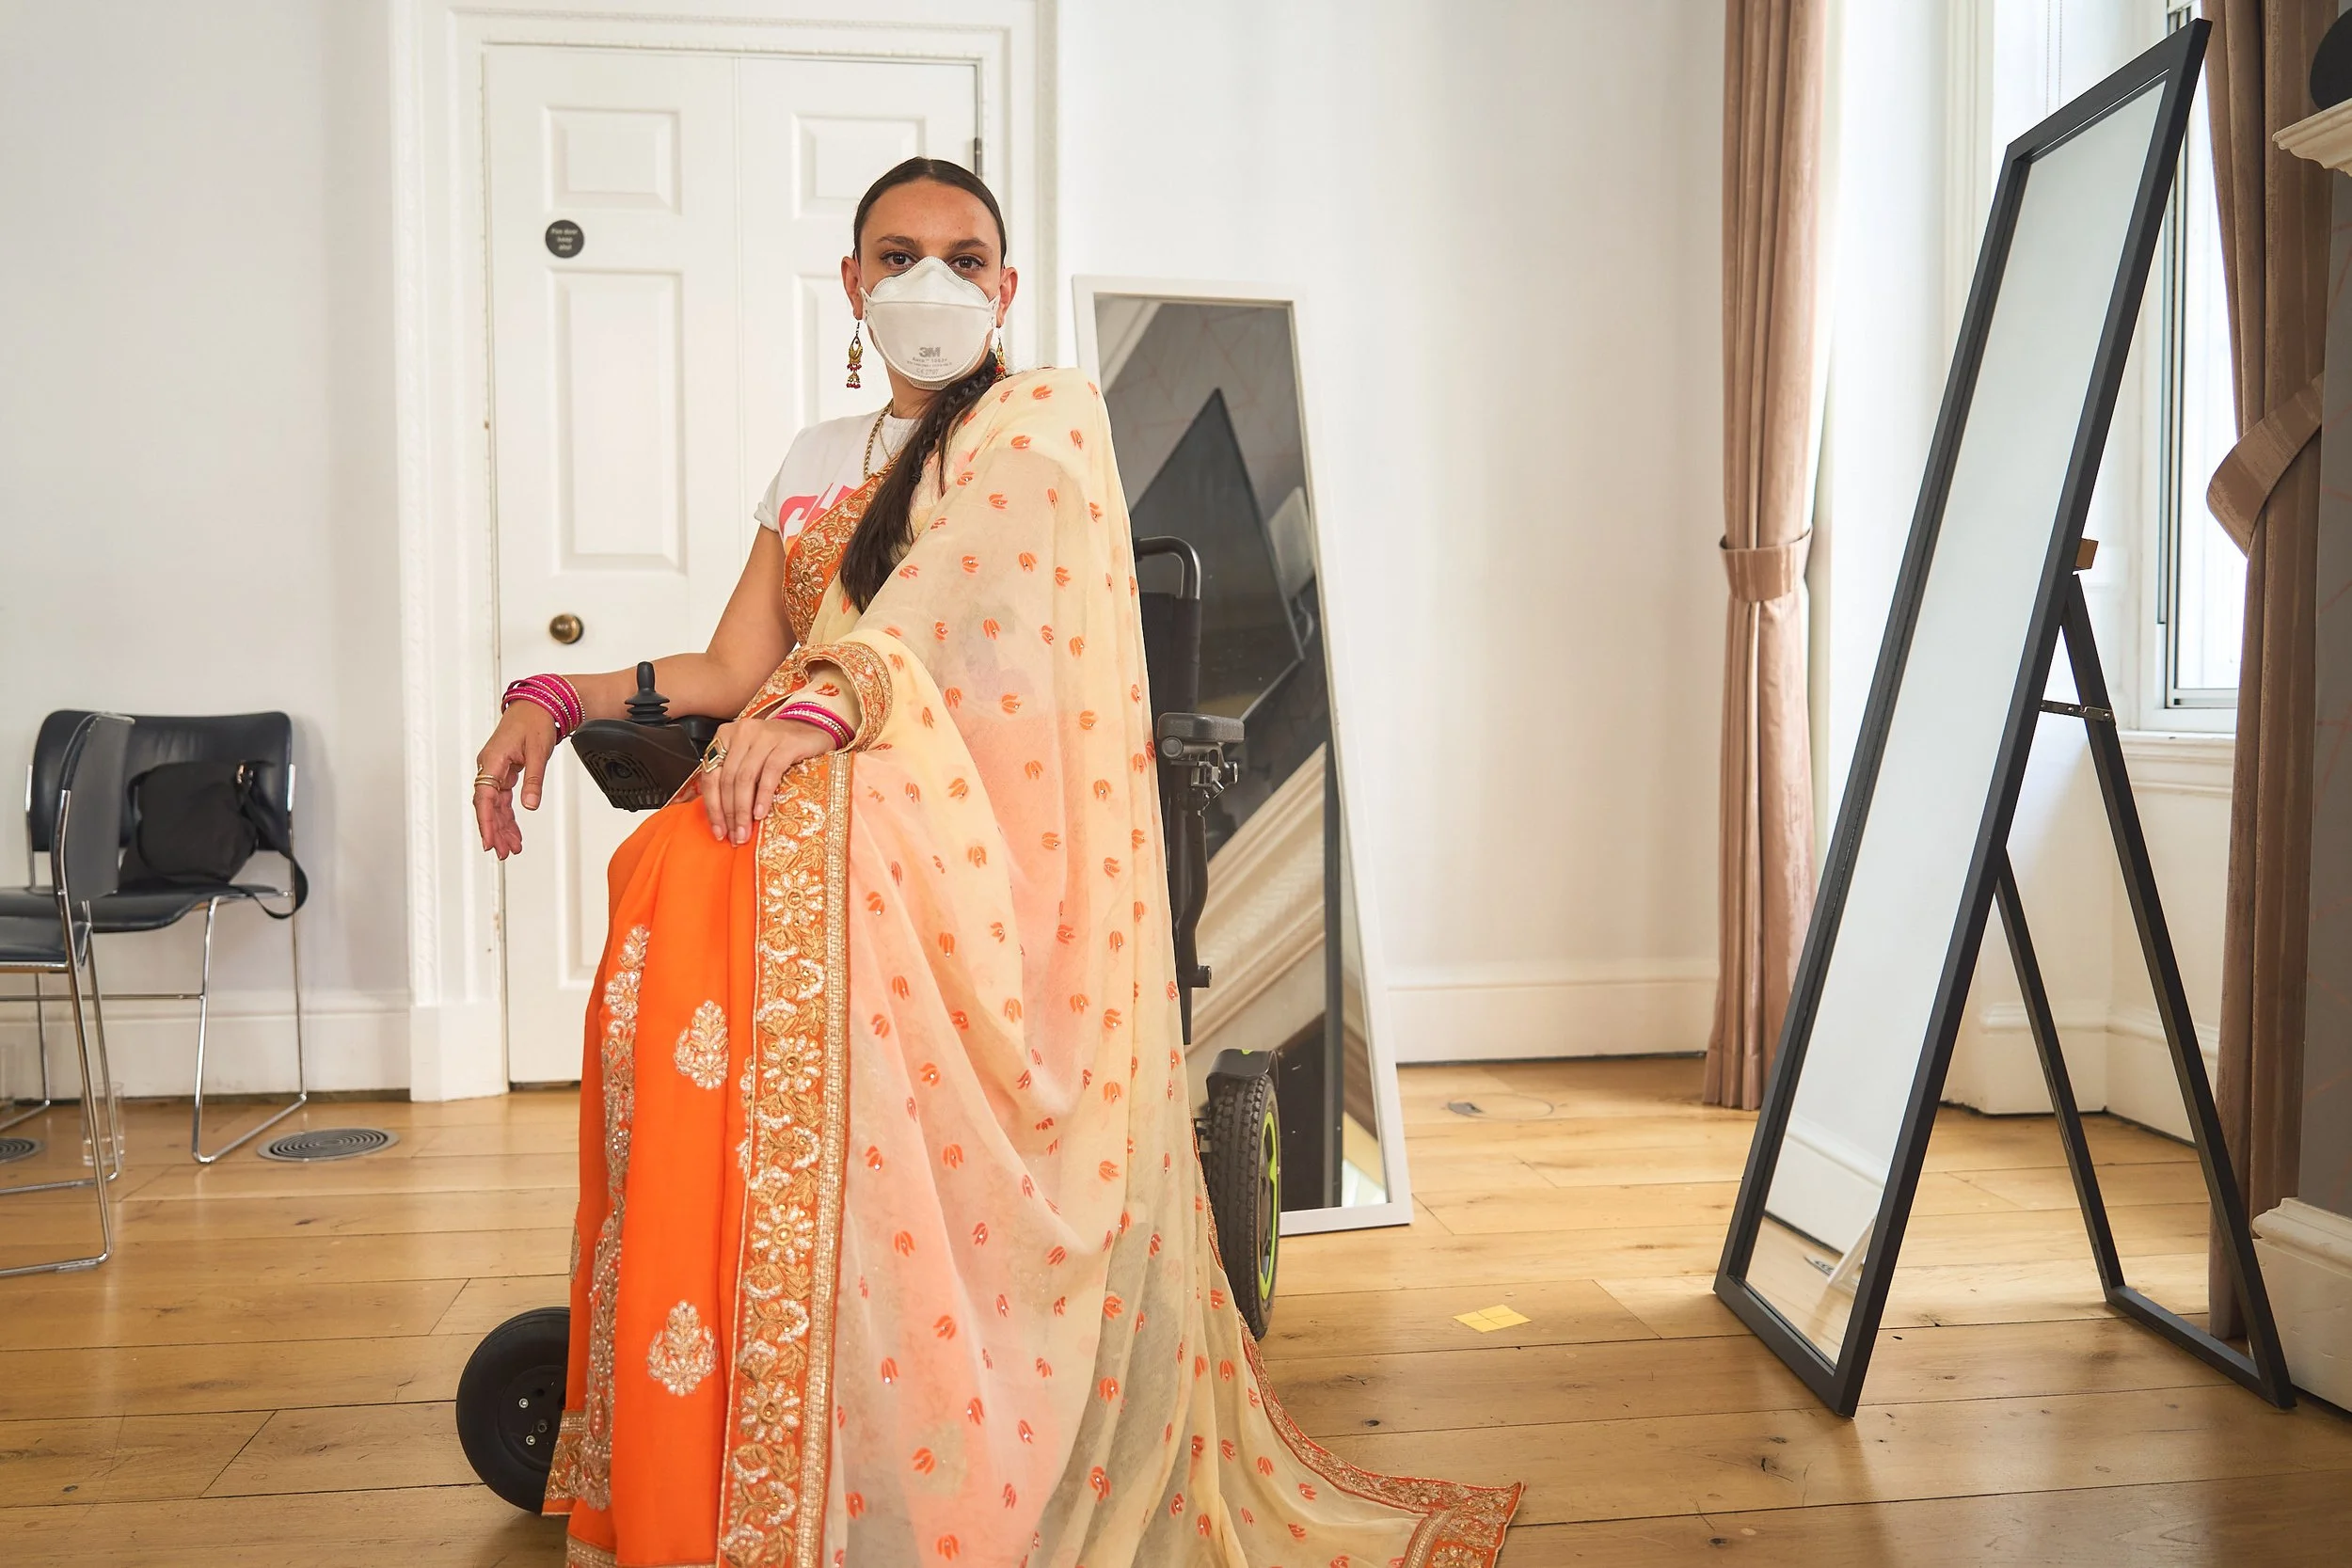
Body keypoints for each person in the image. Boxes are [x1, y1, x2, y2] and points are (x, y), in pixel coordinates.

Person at [472, 157, 1519, 1568]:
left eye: (966, 259)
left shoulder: (1041, 417)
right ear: (849, 286)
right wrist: (555, 697)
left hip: (974, 840)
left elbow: (940, 620)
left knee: (750, 841)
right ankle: (735, 1403)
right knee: (682, 854)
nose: (932, 283)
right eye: (896, 255)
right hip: (824, 787)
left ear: (1007, 288)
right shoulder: (809, 458)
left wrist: (817, 704)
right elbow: (732, 663)